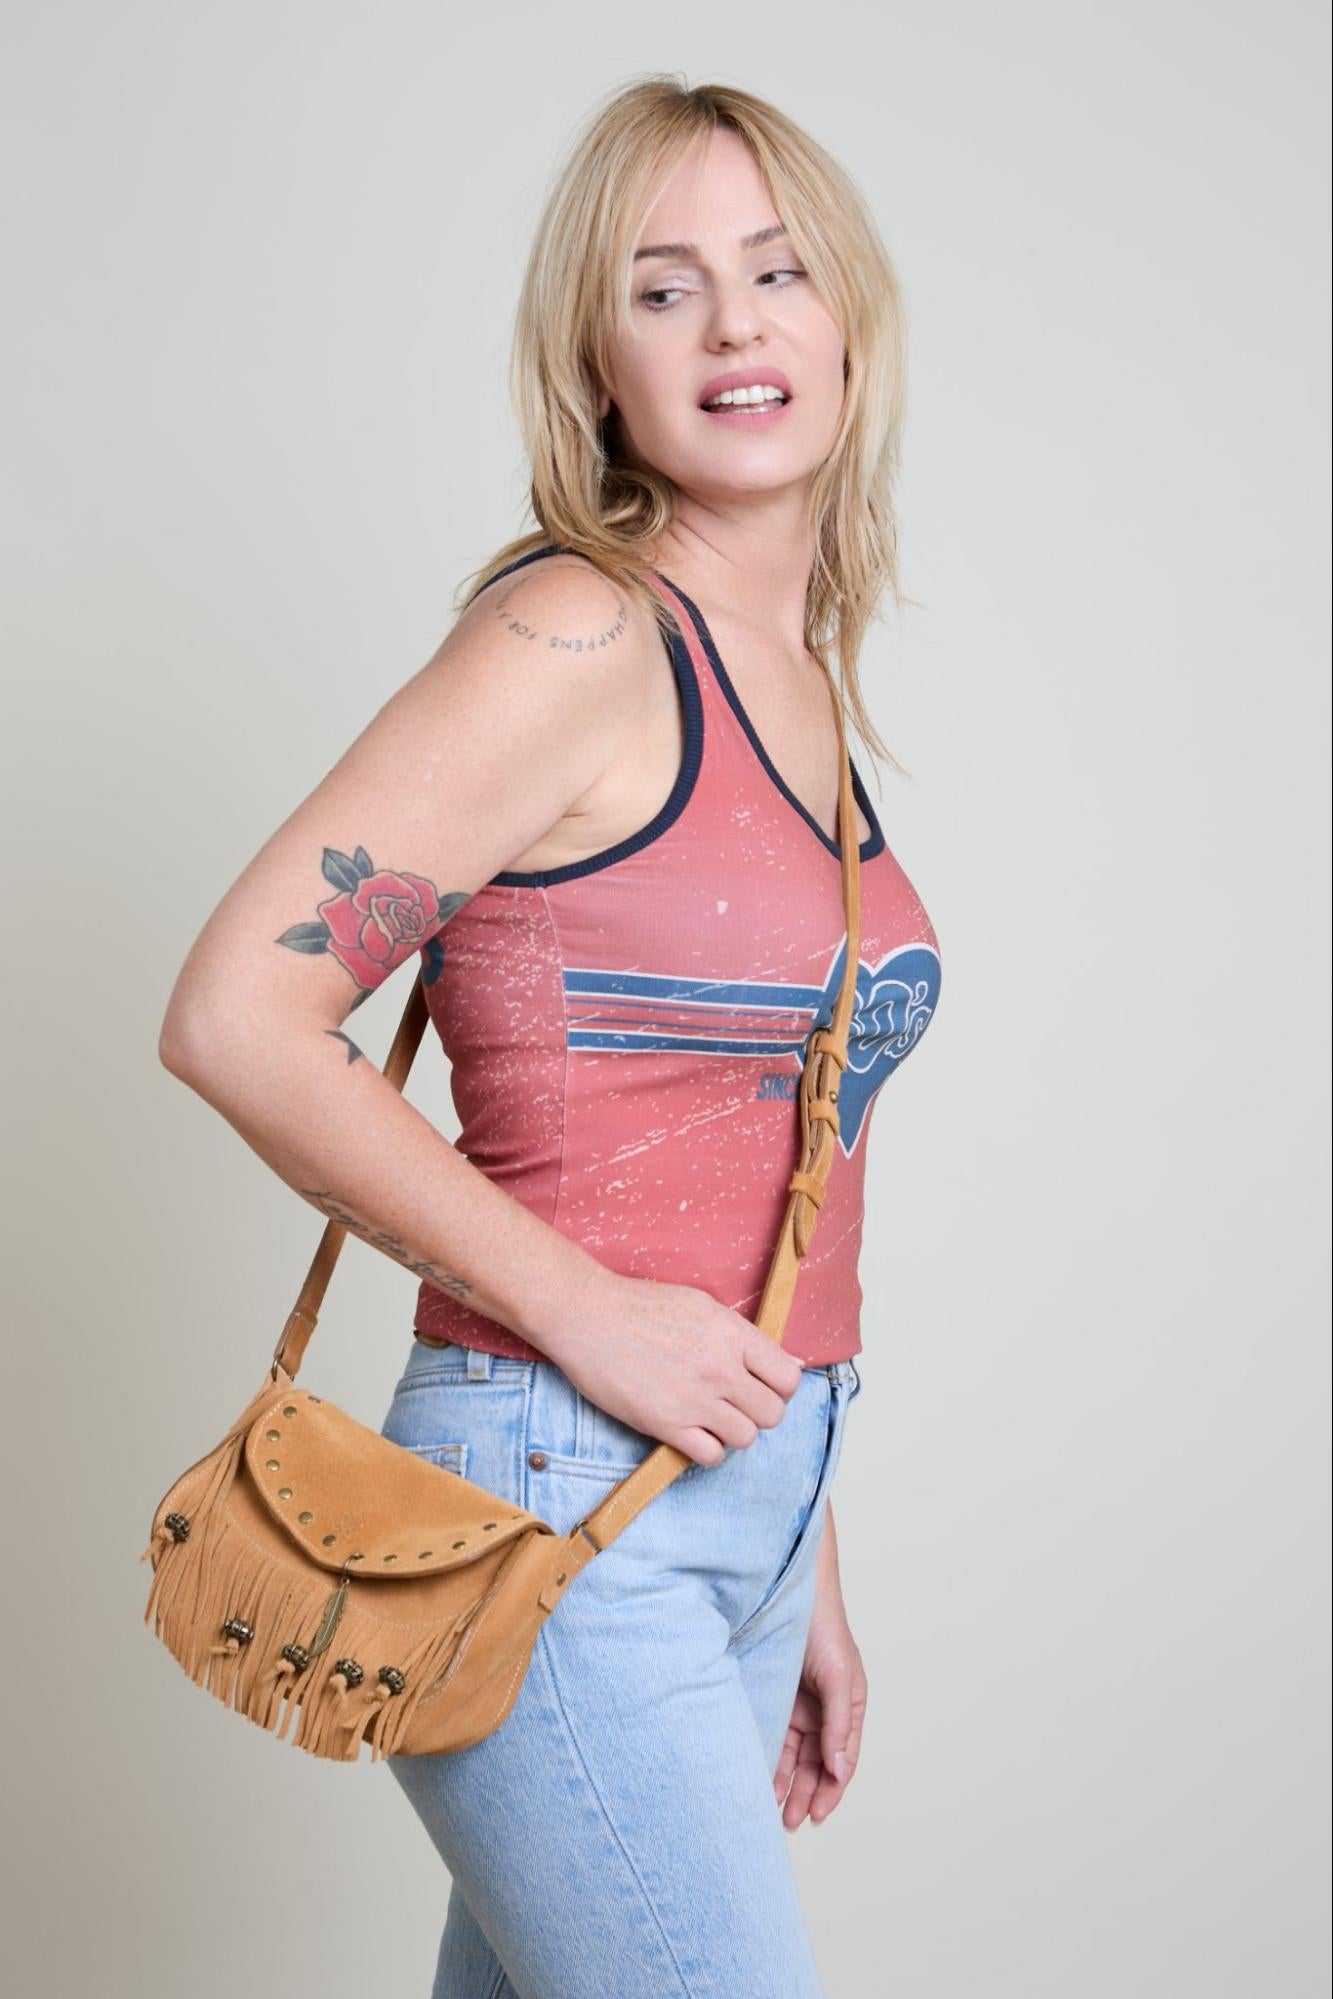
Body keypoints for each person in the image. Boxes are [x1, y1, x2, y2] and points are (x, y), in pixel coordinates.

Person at [159, 74, 942, 1999]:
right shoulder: (580, 641)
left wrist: (799, 1550)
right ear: (596, 364)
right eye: (663, 289)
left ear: (850, 319)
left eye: (777, 272)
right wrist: (583, 1313)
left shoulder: (798, 669)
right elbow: (237, 1013)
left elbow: (770, 1152)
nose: (737, 325)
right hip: (549, 1489)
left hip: (727, 1500)